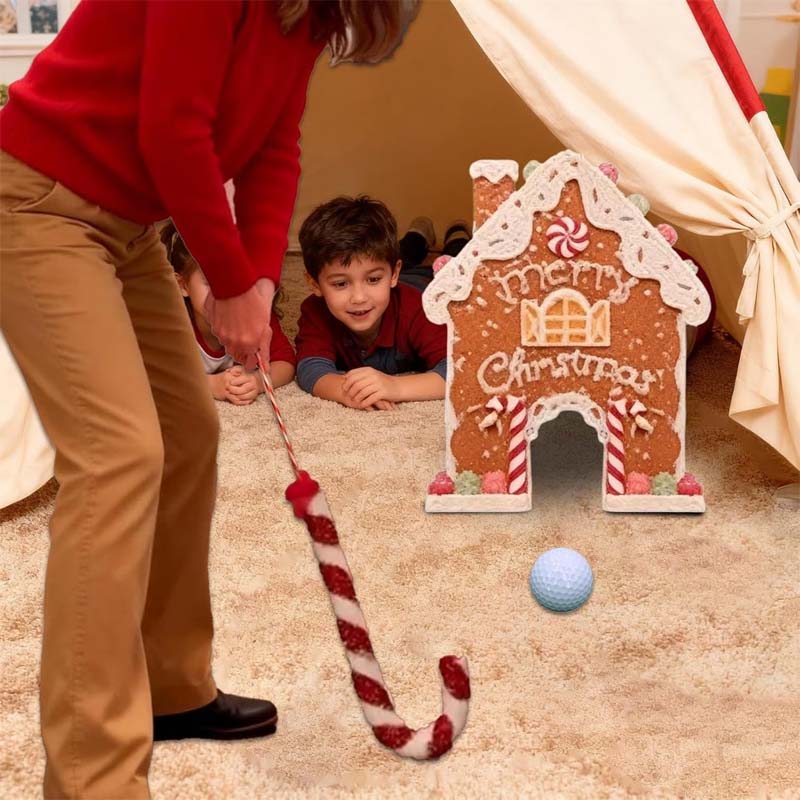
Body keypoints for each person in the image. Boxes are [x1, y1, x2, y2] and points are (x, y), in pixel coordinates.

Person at [0, 1, 419, 798]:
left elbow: (273, 144)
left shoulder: (308, 10)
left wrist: (258, 279)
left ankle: (168, 687)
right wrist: (225, 282)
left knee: (187, 433)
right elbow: (172, 129)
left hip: (124, 224)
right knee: (120, 456)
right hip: (36, 201)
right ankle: (91, 778)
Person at [295, 196, 454, 410]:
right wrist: (349, 391)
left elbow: (458, 370)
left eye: (373, 280)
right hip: (399, 277)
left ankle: (452, 233)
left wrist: (395, 387)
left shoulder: (421, 308)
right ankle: (418, 234)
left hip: (428, 281)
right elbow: (310, 368)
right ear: (314, 284)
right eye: (341, 284)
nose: (359, 297)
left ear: (393, 274)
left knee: (458, 258)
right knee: (404, 251)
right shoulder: (315, 310)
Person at [162, 222, 296, 404]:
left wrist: (257, 381)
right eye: (211, 281)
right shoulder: (172, 324)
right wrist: (210, 385)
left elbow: (286, 362)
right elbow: (152, 375)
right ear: (183, 285)